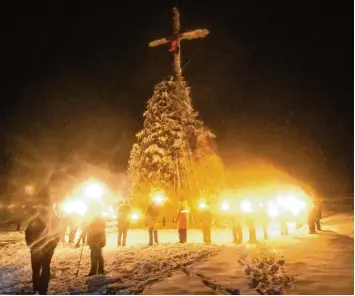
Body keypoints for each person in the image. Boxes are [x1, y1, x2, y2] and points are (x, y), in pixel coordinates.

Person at [25, 204, 61, 295]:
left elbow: (56, 236)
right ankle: (40, 288)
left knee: (40, 268)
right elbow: (28, 234)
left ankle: (39, 288)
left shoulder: (50, 222)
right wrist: (30, 245)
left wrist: (31, 245)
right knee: (41, 268)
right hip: (39, 249)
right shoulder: (36, 221)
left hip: (42, 250)